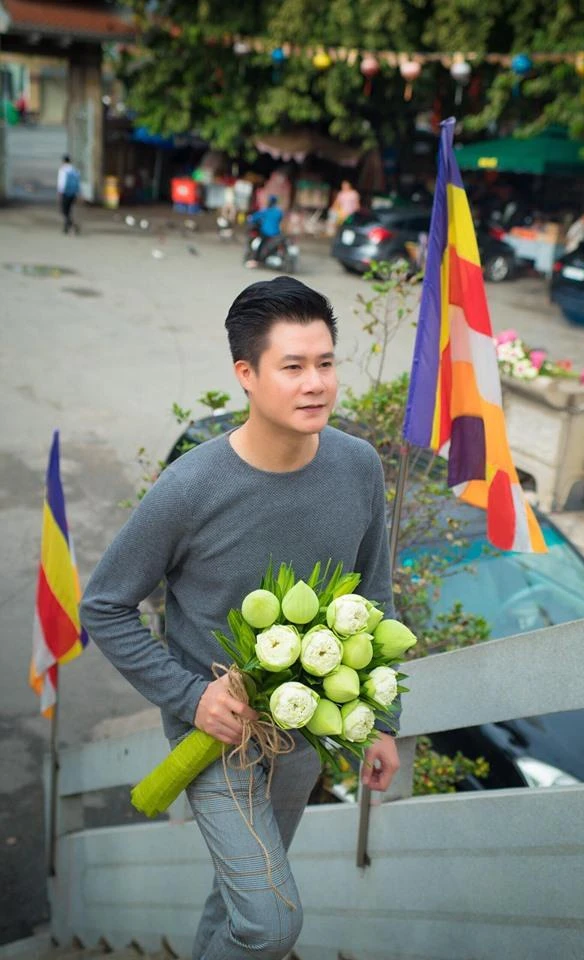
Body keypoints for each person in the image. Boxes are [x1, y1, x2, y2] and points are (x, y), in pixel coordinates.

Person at [80, 276, 400, 960]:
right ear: (246, 374)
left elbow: (374, 593)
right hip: (215, 736)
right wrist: (190, 696)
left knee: (241, 901)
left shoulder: (358, 467)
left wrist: (383, 721)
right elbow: (104, 604)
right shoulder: (190, 488)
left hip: (306, 730)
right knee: (272, 923)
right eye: (293, 366)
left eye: (326, 363)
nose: (316, 384)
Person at [245, 194, 283, 267]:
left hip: (266, 233)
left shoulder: (265, 211)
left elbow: (253, 218)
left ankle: (255, 260)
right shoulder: (278, 211)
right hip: (276, 233)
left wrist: (249, 218)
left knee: (260, 245)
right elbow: (279, 219)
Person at [57, 155, 81, 235]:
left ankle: (71, 225)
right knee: (69, 210)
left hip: (66, 192)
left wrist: (60, 192)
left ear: (64, 161)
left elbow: (62, 182)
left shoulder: (63, 170)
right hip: (73, 193)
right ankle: (66, 227)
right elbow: (78, 182)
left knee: (64, 210)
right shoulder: (74, 170)